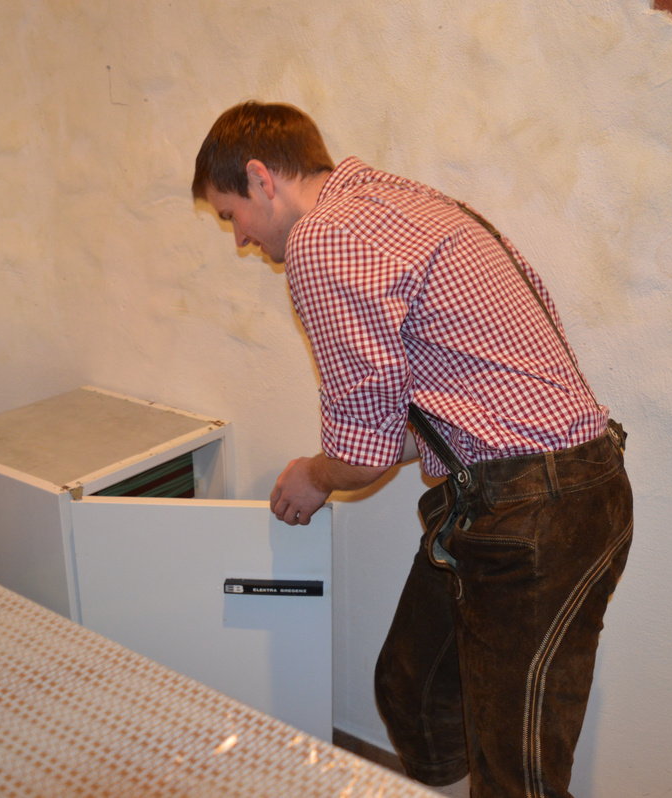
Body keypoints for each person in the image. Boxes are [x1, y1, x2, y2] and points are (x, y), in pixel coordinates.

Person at [192, 100, 633, 798]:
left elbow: (364, 456)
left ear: (260, 178)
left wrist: (315, 475)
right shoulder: (399, 202)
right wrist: (346, 458)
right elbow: (406, 418)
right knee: (413, 693)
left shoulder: (320, 237)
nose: (241, 238)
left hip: (538, 508)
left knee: (516, 778)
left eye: (231, 215)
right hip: (519, 492)